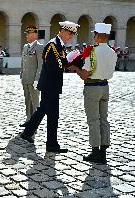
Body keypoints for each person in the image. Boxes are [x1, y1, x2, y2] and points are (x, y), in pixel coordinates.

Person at [20, 21, 80, 153]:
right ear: (62, 31)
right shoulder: (52, 45)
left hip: (52, 84)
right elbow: (54, 65)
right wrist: (69, 61)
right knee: (53, 114)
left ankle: (28, 132)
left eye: (72, 34)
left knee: (43, 110)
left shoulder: (59, 45)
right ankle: (51, 144)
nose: (71, 36)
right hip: (50, 84)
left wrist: (72, 60)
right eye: (70, 33)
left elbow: (61, 62)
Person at [68, 23, 117, 164]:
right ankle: (103, 153)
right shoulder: (112, 51)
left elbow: (85, 75)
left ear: (96, 35)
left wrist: (76, 68)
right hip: (105, 86)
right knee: (104, 119)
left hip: (92, 87)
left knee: (93, 120)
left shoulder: (93, 52)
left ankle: (95, 151)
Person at [19, 25, 43, 127]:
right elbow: (23, 62)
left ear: (34, 34)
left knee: (35, 101)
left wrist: (37, 79)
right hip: (25, 78)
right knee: (27, 101)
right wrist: (21, 74)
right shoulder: (26, 47)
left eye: (29, 34)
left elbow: (41, 65)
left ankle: (35, 121)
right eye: (27, 33)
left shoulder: (39, 47)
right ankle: (28, 119)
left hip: (34, 79)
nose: (27, 36)